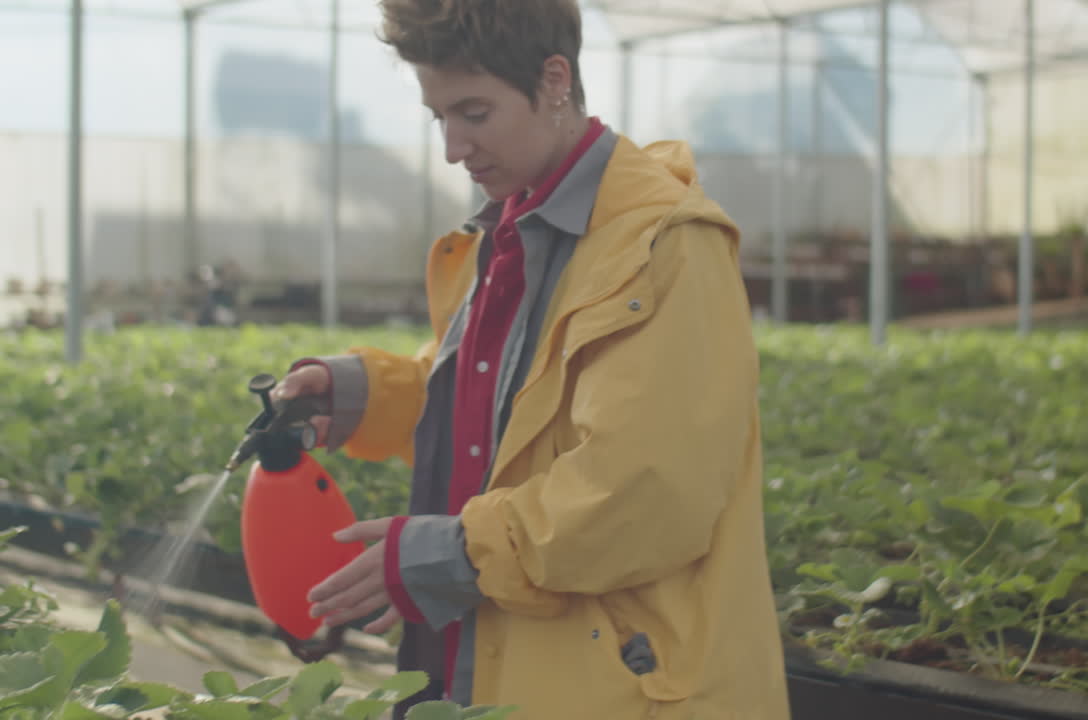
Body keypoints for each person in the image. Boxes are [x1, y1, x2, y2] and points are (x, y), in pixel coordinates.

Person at [271, 1, 790, 717]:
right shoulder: (516, 222)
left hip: (624, 684)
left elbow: (642, 494)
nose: (453, 147)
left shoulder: (666, 246)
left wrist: (451, 555)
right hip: (506, 656)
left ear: (554, 80)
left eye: (474, 113)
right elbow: (504, 397)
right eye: (438, 117)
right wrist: (369, 394)